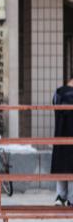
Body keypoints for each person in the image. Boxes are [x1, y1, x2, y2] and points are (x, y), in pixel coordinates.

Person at [52, 76, 73, 206]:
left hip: (60, 134)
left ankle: (60, 196)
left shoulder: (58, 93)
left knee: (60, 165)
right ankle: (71, 199)